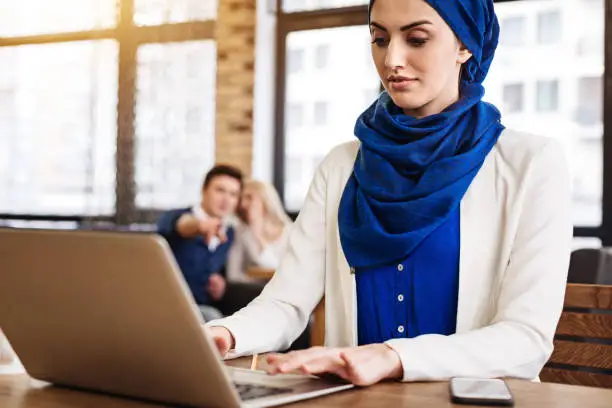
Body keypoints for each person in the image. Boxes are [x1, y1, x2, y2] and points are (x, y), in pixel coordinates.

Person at [208, 0, 572, 387]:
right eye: (379, 39)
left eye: (416, 39)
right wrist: (223, 335)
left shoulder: (532, 163)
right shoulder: (340, 166)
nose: (391, 59)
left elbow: (526, 337)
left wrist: (393, 356)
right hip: (353, 401)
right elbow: (286, 302)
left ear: (466, 45)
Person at [157, 164, 243, 322]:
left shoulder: (229, 233)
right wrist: (200, 226)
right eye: (220, 190)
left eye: (233, 194)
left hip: (200, 306)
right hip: (166, 305)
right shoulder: (175, 216)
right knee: (213, 318)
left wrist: (220, 284)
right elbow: (182, 225)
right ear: (204, 190)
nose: (226, 199)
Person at [226, 180, 293, 283]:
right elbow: (233, 275)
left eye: (249, 197)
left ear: (266, 199)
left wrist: (258, 237)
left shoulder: (291, 232)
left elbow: (280, 274)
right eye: (241, 199)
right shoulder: (242, 231)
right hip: (253, 293)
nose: (243, 204)